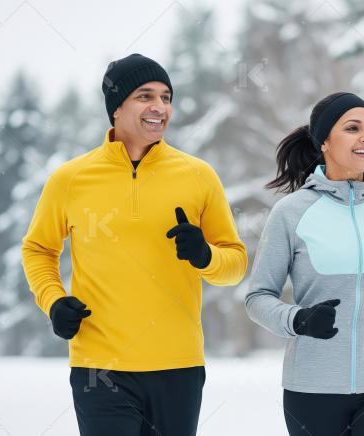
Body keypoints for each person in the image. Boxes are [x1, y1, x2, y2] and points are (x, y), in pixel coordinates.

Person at [21, 53, 247, 436]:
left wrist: (206, 255)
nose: (159, 107)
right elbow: (38, 249)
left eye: (165, 96)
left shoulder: (198, 176)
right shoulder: (71, 179)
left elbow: (236, 263)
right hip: (100, 366)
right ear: (116, 108)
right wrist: (53, 300)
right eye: (145, 96)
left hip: (178, 366)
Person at [245, 92, 364, 436]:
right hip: (313, 389)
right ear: (325, 142)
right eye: (353, 128)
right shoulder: (291, 212)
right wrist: (298, 319)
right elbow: (258, 298)